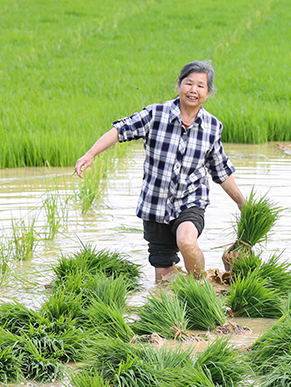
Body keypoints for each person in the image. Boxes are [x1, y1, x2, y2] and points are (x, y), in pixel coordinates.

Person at [74, 60, 246, 282]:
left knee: (186, 240)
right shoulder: (156, 115)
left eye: (200, 86)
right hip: (155, 206)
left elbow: (220, 169)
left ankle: (201, 290)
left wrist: (242, 202)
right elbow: (119, 131)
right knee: (163, 279)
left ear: (208, 92)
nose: (193, 90)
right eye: (189, 83)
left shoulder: (212, 127)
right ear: (179, 85)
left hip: (190, 200)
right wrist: (90, 154)